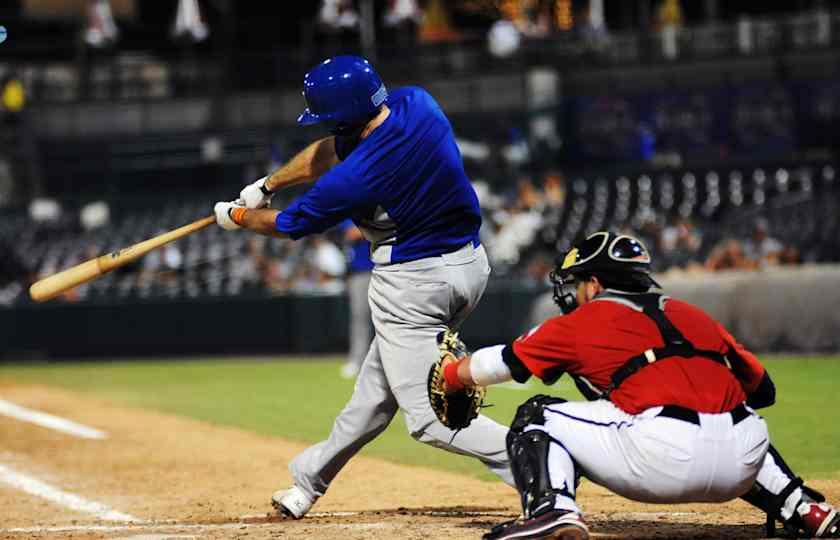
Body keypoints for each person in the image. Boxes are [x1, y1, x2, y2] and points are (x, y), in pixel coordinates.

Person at [213, 55, 513, 518]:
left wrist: (238, 217)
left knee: (431, 420)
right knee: (373, 396)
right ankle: (307, 484)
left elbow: (292, 223)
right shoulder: (419, 103)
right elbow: (331, 149)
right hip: (469, 268)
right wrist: (266, 185)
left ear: (344, 116)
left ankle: (537, 456)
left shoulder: (357, 177)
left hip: (413, 285)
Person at [438, 231, 840, 540]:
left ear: (593, 285)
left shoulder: (581, 321)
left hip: (659, 457)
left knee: (535, 415)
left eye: (575, 284)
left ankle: (552, 510)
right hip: (742, 461)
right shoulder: (691, 312)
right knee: (734, 412)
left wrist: (451, 375)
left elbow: (498, 364)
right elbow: (762, 391)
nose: (571, 293)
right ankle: (803, 507)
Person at [339, 219, 374, 379]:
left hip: (378, 269)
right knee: (360, 318)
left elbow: (357, 233)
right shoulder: (349, 214)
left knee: (389, 319)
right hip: (358, 273)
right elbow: (351, 233)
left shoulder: (374, 207)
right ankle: (357, 360)